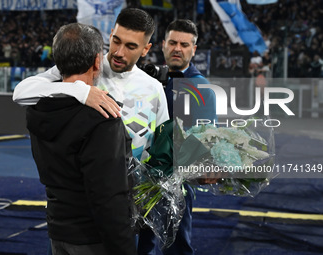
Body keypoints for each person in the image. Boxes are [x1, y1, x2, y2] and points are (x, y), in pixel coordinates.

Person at [25, 23, 136, 255]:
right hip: (94, 239)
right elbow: (108, 197)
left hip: (58, 233)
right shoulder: (103, 117)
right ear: (97, 61)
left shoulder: (38, 107)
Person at [13, 8, 169, 162]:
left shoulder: (154, 88)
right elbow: (21, 92)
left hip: (139, 186)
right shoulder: (85, 68)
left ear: (145, 49)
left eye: (130, 46)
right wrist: (81, 91)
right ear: (111, 34)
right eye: (116, 41)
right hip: (91, 182)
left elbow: (163, 148)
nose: (119, 52)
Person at [138, 19, 217, 255]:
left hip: (177, 182)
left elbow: (207, 138)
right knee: (142, 243)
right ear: (162, 45)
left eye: (184, 44)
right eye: (172, 42)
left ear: (193, 49)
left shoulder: (201, 88)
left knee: (176, 245)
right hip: (141, 175)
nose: (177, 48)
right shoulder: (148, 80)